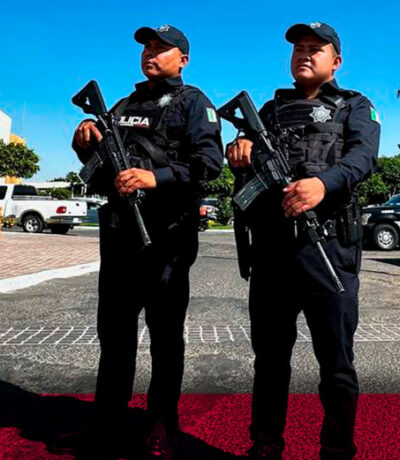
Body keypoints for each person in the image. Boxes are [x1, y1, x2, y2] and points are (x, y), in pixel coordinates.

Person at [225, 22, 380, 460]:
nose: (304, 55)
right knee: (270, 362)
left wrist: (323, 185)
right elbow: (247, 175)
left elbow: (363, 159)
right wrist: (239, 150)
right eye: (298, 49)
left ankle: (336, 448)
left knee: (336, 364)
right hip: (273, 252)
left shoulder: (356, 106)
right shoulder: (270, 111)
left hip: (328, 249)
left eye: (316, 49)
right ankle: (265, 445)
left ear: (336, 61)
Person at [71, 24, 222, 458]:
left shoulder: (194, 103)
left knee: (165, 338)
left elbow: (209, 164)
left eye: (161, 48)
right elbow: (103, 169)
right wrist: (85, 141)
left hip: (166, 240)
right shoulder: (122, 105)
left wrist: (155, 178)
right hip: (119, 241)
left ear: (183, 59)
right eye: (147, 47)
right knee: (114, 339)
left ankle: (160, 427)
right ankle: (106, 427)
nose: (151, 53)